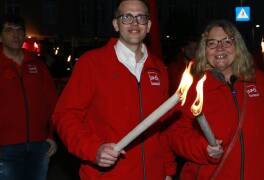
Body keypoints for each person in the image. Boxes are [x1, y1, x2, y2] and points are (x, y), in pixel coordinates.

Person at [52, 0, 176, 179]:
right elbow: (65, 115)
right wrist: (93, 149)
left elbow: (162, 127)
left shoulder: (159, 69)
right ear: (115, 24)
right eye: (126, 17)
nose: (134, 23)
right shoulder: (92, 63)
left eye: (140, 17)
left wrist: (168, 170)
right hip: (108, 175)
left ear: (148, 25)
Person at [166, 20, 264, 179]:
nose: (220, 48)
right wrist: (203, 148)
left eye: (227, 41)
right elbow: (175, 133)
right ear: (204, 50)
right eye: (212, 43)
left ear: (238, 46)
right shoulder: (192, 88)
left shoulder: (262, 82)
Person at [0, 15, 57, 180]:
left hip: (39, 145)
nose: (15, 35)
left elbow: (52, 103)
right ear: (1, 35)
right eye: (9, 30)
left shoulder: (37, 65)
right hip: (5, 147)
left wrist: (51, 135)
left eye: (19, 30)